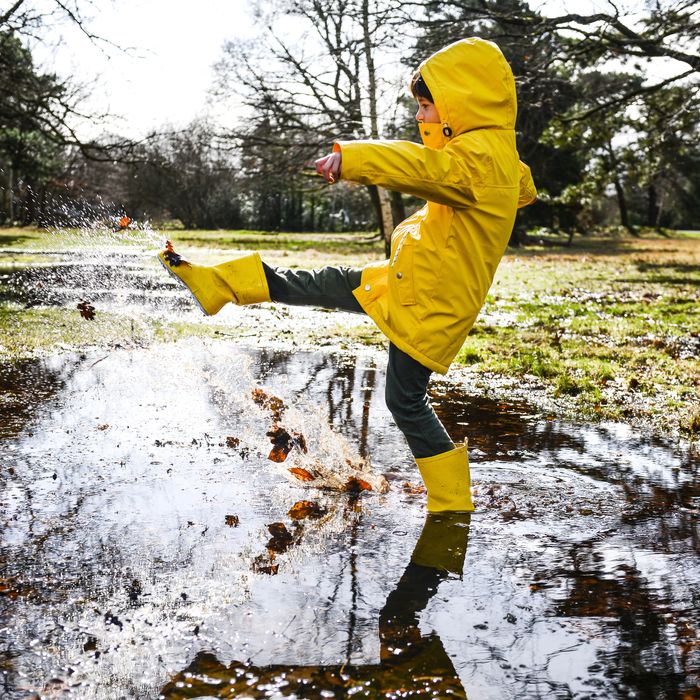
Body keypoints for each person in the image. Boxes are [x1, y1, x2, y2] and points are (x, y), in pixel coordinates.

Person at [158, 37, 537, 513]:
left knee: (405, 400)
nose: (420, 117)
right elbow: (518, 185)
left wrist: (353, 159)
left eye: (425, 106)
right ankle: (220, 285)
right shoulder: (491, 156)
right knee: (325, 282)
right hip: (412, 282)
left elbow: (418, 166)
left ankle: (453, 504)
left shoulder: (477, 160)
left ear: (462, 105)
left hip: (430, 301)